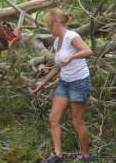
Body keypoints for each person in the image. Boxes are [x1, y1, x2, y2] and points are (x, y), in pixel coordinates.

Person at [32, 8, 93, 163]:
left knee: (77, 121)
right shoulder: (56, 42)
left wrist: (71, 57)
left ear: (57, 23)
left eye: (49, 25)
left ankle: (85, 156)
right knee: (53, 118)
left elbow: (88, 51)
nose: (48, 28)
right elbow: (58, 67)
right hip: (65, 83)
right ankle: (58, 155)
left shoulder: (71, 36)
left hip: (79, 82)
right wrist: (42, 83)